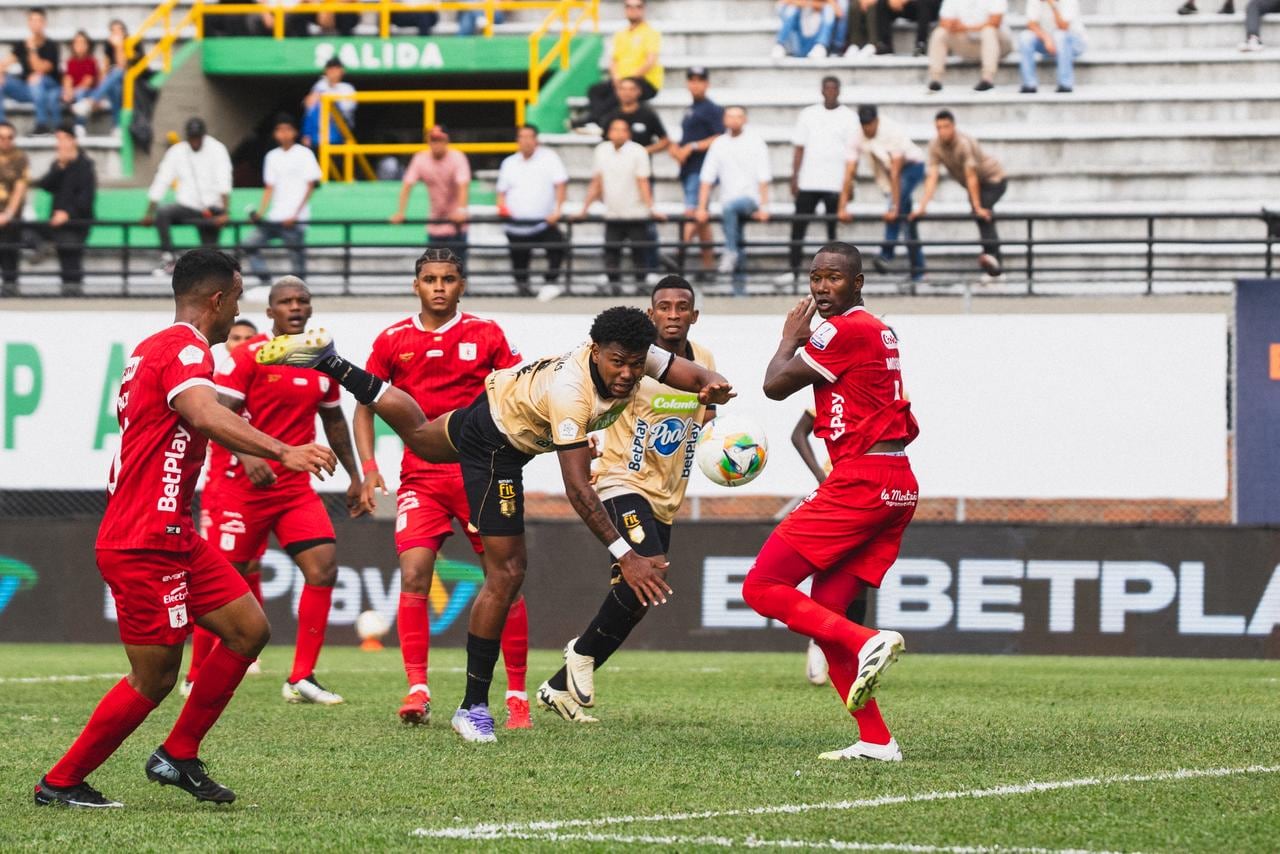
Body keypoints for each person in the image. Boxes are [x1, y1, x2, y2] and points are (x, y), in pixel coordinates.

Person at [255, 306, 735, 743]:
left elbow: (687, 371)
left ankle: (330, 361)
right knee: (506, 575)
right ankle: (472, 707)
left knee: (420, 436)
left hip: (497, 408)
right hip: (498, 447)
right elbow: (579, 491)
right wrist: (625, 557)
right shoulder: (573, 393)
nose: (628, 373)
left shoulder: (632, 354)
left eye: (635, 364)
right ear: (596, 353)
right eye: (617, 363)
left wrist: (711, 382)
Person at [34, 249, 336, 809]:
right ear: (218, 300)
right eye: (239, 299)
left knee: (248, 630)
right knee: (154, 679)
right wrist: (281, 449)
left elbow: (198, 414)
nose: (237, 310)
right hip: (143, 538)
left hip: (172, 532)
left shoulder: (156, 347)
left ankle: (178, 754)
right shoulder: (185, 348)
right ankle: (61, 781)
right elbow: (201, 411)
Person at [744, 241, 919, 762]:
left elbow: (775, 385)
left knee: (761, 587)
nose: (821, 287)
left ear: (858, 282)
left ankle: (867, 640)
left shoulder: (844, 329)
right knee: (823, 612)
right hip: (894, 480)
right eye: (815, 276)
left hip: (862, 480)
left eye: (834, 278)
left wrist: (787, 340)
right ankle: (876, 739)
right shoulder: (873, 329)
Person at [354, 249, 530, 728]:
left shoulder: (486, 334)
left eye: (448, 279)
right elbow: (366, 404)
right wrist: (369, 467)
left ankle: (516, 695)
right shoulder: (393, 340)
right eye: (429, 279)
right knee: (414, 573)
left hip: (481, 473)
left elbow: (517, 391)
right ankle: (417, 689)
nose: (438, 286)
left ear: (461, 285)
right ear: (416, 286)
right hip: (421, 478)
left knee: (505, 578)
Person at [538, 277, 716, 722]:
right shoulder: (638, 361)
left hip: (667, 494)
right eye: (664, 307)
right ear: (651, 313)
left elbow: (707, 416)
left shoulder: (704, 360)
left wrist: (729, 449)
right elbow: (601, 396)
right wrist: (588, 440)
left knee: (639, 598)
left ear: (694, 316)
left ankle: (560, 687)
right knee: (647, 571)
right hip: (622, 481)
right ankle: (580, 653)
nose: (673, 314)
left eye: (682, 307)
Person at [208, 276, 362, 705]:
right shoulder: (248, 357)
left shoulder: (321, 361)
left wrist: (355, 476)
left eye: (303, 300)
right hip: (245, 486)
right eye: (286, 302)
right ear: (270, 313)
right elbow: (218, 417)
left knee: (323, 568)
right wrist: (249, 457)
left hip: (293, 489)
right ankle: (198, 674)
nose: (296, 307)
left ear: (310, 309)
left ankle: (301, 678)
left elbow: (333, 422)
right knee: (222, 580)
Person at [186, 318, 263, 696]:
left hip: (261, 490)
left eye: (250, 338)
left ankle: (244, 648)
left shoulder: (260, 377)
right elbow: (214, 425)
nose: (243, 344)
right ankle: (196, 669)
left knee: (250, 569)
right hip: (225, 488)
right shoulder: (211, 384)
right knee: (218, 571)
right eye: (237, 338)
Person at [837, 105, 927, 284]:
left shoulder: (891, 131)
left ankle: (886, 254)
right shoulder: (857, 135)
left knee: (896, 208)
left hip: (912, 167)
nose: (867, 129)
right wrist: (842, 206)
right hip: (889, 174)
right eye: (864, 125)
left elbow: (896, 172)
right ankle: (919, 271)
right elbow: (849, 172)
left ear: (877, 121)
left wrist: (893, 206)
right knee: (906, 223)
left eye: (870, 125)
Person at [781, 76, 857, 286]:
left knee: (833, 232)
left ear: (839, 91)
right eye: (827, 88)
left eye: (834, 88)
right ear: (822, 90)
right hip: (809, 179)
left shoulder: (849, 117)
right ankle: (793, 268)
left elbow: (853, 154)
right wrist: (794, 176)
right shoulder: (808, 114)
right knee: (798, 226)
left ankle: (836, 274)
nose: (831, 92)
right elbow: (799, 147)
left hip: (835, 182)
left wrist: (849, 185)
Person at [912, 109, 1006, 278]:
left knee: (982, 210)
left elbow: (971, 176)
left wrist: (977, 206)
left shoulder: (964, 143)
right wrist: (922, 206)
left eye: (945, 127)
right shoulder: (935, 145)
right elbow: (932, 176)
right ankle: (992, 263)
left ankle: (995, 264)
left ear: (953, 126)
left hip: (994, 178)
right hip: (976, 184)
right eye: (938, 127)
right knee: (980, 214)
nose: (942, 132)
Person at [576, 117, 663, 294]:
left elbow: (643, 182)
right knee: (611, 252)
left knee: (639, 253)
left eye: (622, 130)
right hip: (612, 212)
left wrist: (651, 208)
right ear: (609, 132)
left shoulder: (638, 151)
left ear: (629, 133)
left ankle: (641, 288)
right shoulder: (601, 150)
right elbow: (596, 181)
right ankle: (614, 288)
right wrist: (584, 209)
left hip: (635, 213)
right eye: (615, 129)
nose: (618, 133)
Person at [142, 117, 233, 278]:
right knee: (163, 213)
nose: (195, 141)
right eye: (192, 138)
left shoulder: (217, 149)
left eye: (198, 137)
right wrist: (149, 212)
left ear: (204, 136)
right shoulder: (177, 151)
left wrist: (225, 212)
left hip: (213, 207)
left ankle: (210, 277)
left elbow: (224, 179)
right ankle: (169, 258)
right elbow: (162, 179)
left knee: (210, 253)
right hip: (187, 206)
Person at [695, 106, 771, 294]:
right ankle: (739, 290)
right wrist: (701, 207)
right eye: (730, 116)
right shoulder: (719, 144)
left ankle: (729, 252)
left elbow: (763, 177)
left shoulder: (755, 142)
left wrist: (764, 206)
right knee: (737, 242)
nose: (734, 120)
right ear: (724, 120)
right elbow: (707, 178)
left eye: (738, 116)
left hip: (748, 199)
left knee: (730, 219)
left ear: (744, 119)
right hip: (727, 203)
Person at [602, 76, 669, 277]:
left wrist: (640, 152)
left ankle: (650, 270)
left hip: (642, 176)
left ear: (638, 92)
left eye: (631, 89)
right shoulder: (611, 115)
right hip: (618, 180)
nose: (627, 93)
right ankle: (614, 276)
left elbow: (665, 140)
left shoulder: (647, 114)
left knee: (646, 227)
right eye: (623, 89)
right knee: (616, 230)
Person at [243, 115, 320, 285]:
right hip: (275, 216)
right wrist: (260, 213)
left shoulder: (304, 154)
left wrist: (296, 214)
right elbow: (269, 187)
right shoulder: (272, 156)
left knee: (296, 257)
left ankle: (300, 288)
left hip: (295, 218)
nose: (283, 134)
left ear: (294, 132)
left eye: (287, 129)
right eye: (279, 130)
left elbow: (310, 186)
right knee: (249, 244)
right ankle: (266, 280)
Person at [496, 124, 568, 296]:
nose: (526, 141)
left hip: (544, 221)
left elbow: (560, 184)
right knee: (519, 258)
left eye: (530, 137)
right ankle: (523, 288)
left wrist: (557, 210)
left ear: (536, 140)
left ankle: (550, 282)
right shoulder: (509, 163)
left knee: (557, 246)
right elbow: (501, 191)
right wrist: (502, 207)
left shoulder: (550, 158)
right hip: (516, 223)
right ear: (517, 140)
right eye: (522, 137)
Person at [670, 66, 723, 281]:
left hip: (702, 169)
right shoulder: (691, 108)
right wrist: (677, 149)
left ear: (707, 83)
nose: (695, 84)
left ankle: (678, 253)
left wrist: (691, 146)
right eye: (692, 80)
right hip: (689, 167)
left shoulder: (712, 109)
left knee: (692, 212)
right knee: (702, 220)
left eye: (700, 80)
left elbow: (719, 136)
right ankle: (709, 265)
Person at [391, 125, 470, 266]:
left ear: (447, 141)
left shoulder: (457, 158)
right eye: (433, 139)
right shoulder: (421, 159)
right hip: (435, 224)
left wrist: (461, 211)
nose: (436, 143)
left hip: (456, 225)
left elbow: (462, 185)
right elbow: (407, 185)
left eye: (440, 139)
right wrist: (400, 212)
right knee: (434, 269)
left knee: (457, 271)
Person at [37, 123, 94, 295]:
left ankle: (73, 294)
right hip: (57, 222)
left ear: (72, 141)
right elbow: (45, 185)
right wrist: (60, 167)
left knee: (70, 258)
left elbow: (85, 199)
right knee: (27, 231)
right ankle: (45, 247)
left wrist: (67, 213)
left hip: (76, 222)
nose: (59, 144)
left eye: (62, 139)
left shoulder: (85, 166)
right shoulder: (58, 164)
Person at [926, 0, 1013, 92]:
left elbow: (995, 21)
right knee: (940, 33)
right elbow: (945, 22)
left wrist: (964, 27)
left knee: (988, 31)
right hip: (969, 44)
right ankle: (935, 79)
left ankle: (987, 78)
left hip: (999, 45)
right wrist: (965, 28)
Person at [0, 8, 61, 134]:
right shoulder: (22, 45)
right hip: (27, 90)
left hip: (48, 89)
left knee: (37, 78)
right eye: (32, 20)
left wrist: (32, 49)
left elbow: (40, 68)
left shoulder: (51, 46)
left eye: (38, 20)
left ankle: (42, 124)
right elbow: (5, 63)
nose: (35, 24)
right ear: (28, 23)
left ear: (44, 23)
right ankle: (2, 125)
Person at [71, 19, 134, 129]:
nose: (116, 33)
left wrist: (119, 47)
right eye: (113, 31)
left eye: (119, 30)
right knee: (115, 87)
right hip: (115, 84)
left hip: (132, 83)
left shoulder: (132, 43)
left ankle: (90, 102)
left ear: (125, 32)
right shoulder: (109, 46)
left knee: (117, 71)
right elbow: (105, 70)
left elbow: (122, 66)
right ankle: (117, 126)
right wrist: (102, 91)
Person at [1017, 0, 1087, 93]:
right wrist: (1046, 38)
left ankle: (1065, 84)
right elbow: (1031, 24)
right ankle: (1029, 84)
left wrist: (1053, 5)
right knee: (1025, 36)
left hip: (1074, 44)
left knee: (1060, 35)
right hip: (1050, 43)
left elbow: (1063, 26)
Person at [0, 121, 29, 295]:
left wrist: (7, 214)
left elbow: (20, 189)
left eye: (9, 137)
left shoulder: (20, 159)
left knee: (10, 259)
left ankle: (11, 292)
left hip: (11, 219)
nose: (5, 141)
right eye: (1, 137)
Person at [302, 57, 355, 150]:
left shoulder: (347, 88)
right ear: (325, 71)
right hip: (319, 137)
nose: (333, 72)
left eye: (336, 68)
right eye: (330, 69)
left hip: (340, 134)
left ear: (342, 71)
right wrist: (307, 133)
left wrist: (328, 95)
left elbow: (346, 110)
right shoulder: (320, 85)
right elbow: (308, 106)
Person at [773, 0, 839, 58]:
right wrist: (811, 4)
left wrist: (810, 4)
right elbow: (782, 4)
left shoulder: (825, 9)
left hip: (815, 47)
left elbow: (838, 12)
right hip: (798, 44)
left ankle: (821, 45)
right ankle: (780, 44)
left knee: (829, 9)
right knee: (791, 9)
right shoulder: (795, 9)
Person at [871, 0, 940, 56]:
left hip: (932, 8)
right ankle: (885, 44)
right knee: (882, 3)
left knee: (924, 3)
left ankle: (921, 44)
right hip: (913, 7)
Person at [60, 31, 98, 129]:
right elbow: (67, 79)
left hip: (89, 92)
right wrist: (68, 91)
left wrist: (73, 92)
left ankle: (80, 125)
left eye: (83, 42)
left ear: (88, 45)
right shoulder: (70, 62)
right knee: (56, 95)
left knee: (80, 94)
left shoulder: (91, 61)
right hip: (74, 91)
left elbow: (88, 82)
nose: (80, 45)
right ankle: (58, 126)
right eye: (77, 43)